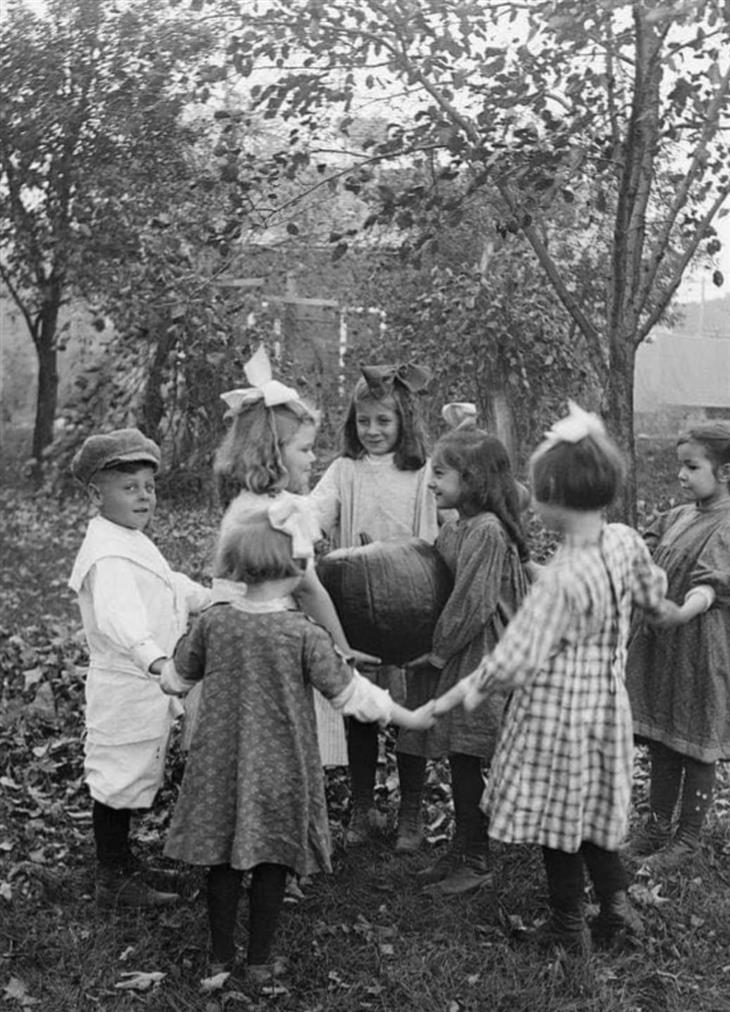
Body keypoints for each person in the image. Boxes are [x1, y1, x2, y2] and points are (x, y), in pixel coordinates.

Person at [160, 501, 437, 988]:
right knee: (272, 859)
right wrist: (407, 713)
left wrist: (155, 666)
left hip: (219, 768)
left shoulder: (213, 623)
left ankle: (219, 959)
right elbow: (352, 694)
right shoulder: (302, 634)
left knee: (220, 861)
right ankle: (261, 960)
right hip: (280, 771)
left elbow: (176, 678)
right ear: (294, 568)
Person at [432, 403, 670, 952]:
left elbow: (515, 658)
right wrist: (662, 610)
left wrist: (460, 692)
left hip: (555, 717)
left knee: (556, 825)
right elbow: (651, 593)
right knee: (590, 815)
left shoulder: (563, 580)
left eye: (536, 493)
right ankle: (615, 909)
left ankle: (568, 927)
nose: (530, 503)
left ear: (556, 498)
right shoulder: (623, 541)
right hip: (606, 705)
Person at [198, 344, 378, 766]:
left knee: (243, 744)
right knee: (281, 745)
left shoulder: (241, 506)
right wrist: (343, 650)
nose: (314, 458)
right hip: (277, 647)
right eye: (305, 449)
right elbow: (310, 590)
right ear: (273, 452)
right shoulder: (284, 511)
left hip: (233, 647)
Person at [67, 427, 211, 908]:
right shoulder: (107, 554)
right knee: (116, 776)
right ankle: (113, 877)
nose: (143, 496)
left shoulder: (130, 538)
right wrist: (158, 662)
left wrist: (214, 599)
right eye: (129, 488)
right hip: (129, 682)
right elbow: (121, 620)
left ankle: (123, 859)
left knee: (134, 774)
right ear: (96, 494)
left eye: (148, 486)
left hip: (147, 685)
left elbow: (170, 585)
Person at [309, 363, 439, 851]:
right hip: (358, 610)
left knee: (408, 711)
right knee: (359, 709)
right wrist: (292, 529)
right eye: (364, 422)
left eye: (384, 421)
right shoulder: (345, 471)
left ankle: (410, 812)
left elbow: (449, 523)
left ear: (404, 419)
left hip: (414, 609)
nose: (374, 431)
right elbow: (315, 514)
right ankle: (363, 808)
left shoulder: (422, 471)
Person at [399, 416, 531, 894]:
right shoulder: (457, 527)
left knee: (470, 751)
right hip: (461, 647)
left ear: (471, 481)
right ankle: (462, 848)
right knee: (458, 752)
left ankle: (476, 858)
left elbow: (473, 603)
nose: (430, 482)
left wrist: (437, 653)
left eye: (439, 474)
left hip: (482, 652)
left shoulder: (487, 531)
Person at [626, 421, 730, 871]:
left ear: (726, 472)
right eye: (680, 467)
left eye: (692, 467)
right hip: (664, 645)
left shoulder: (726, 524)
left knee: (697, 740)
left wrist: (681, 612)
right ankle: (655, 825)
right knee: (664, 736)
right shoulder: (683, 514)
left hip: (701, 646)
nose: (682, 476)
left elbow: (710, 586)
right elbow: (647, 540)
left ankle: (687, 837)